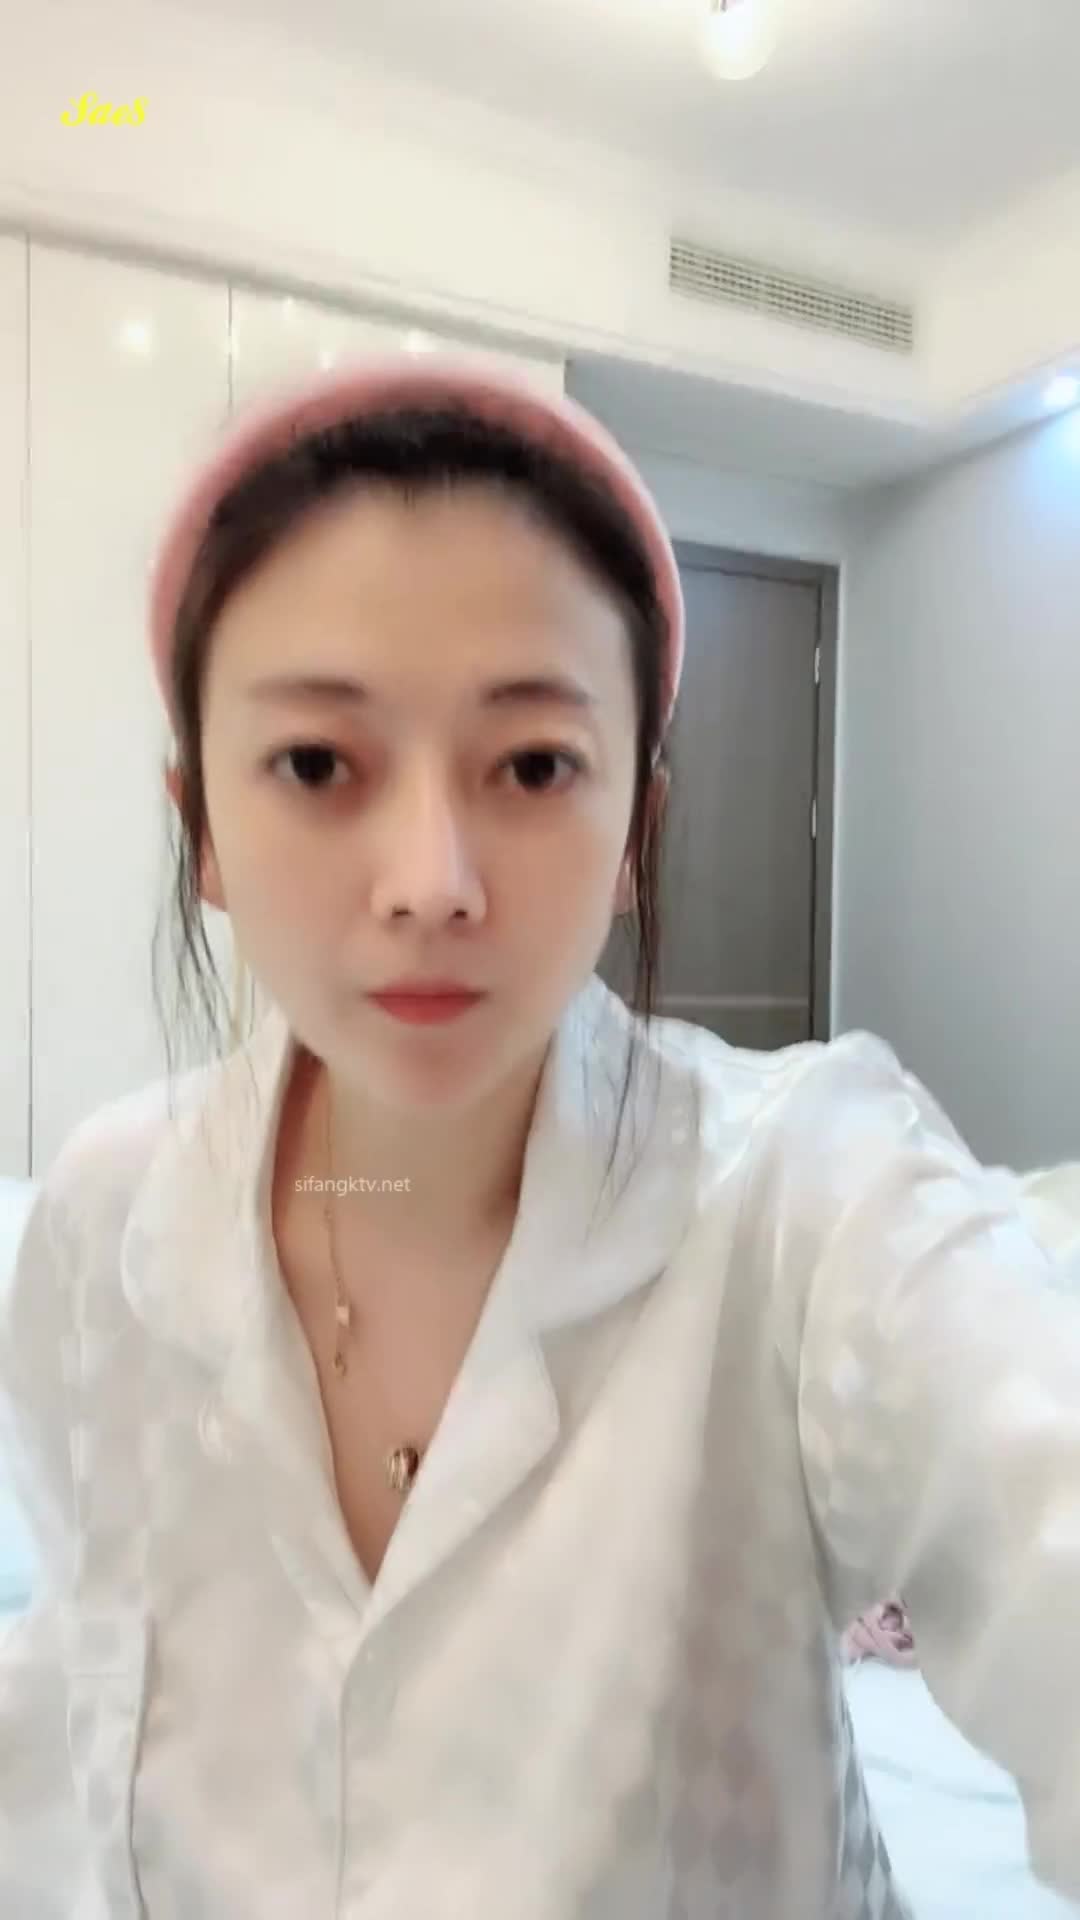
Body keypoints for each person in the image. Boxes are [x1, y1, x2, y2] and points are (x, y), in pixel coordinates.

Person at [1, 355, 1078, 1920]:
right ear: (204, 830)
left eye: (532, 765)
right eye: (318, 763)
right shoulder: (104, 1218)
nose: (431, 881)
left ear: (636, 829)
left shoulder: (804, 1195)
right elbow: (81, 1728)